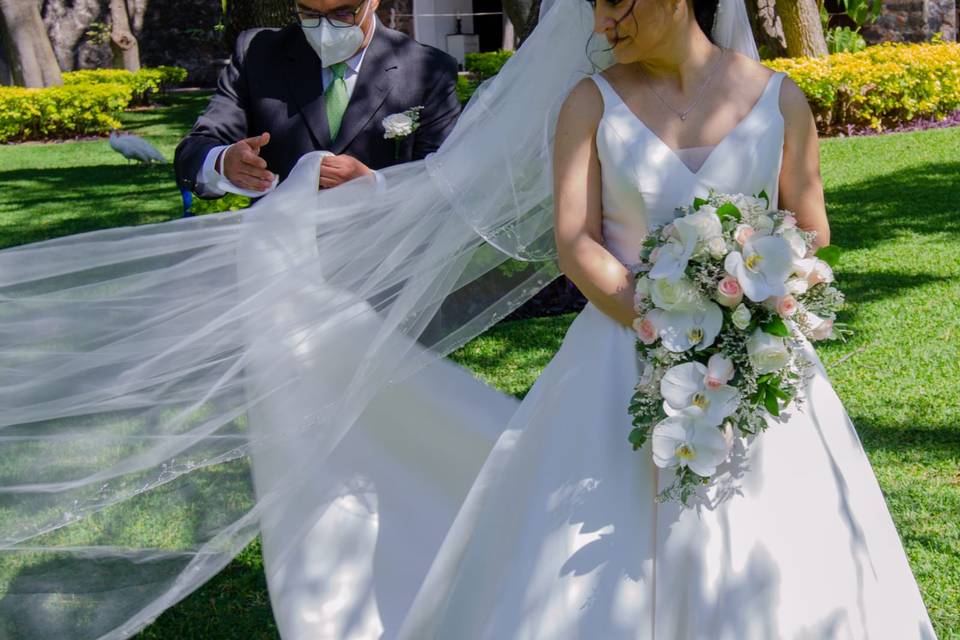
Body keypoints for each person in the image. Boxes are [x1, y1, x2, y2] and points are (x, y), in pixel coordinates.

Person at [0, 0, 939, 638]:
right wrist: (661, 319)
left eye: (619, 2)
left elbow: (809, 226)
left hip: (762, 366)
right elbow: (576, 240)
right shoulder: (590, 99)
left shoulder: (782, 99)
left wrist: (758, 302)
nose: (602, 20)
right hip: (627, 352)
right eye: (595, 3)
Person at [173, 0, 460, 199]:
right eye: (308, 13)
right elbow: (195, 148)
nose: (325, 29)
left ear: (373, 2)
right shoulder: (258, 53)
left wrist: (377, 186)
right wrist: (222, 162)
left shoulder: (428, 69)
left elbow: (447, 177)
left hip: (383, 264)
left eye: (343, 13)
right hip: (276, 261)